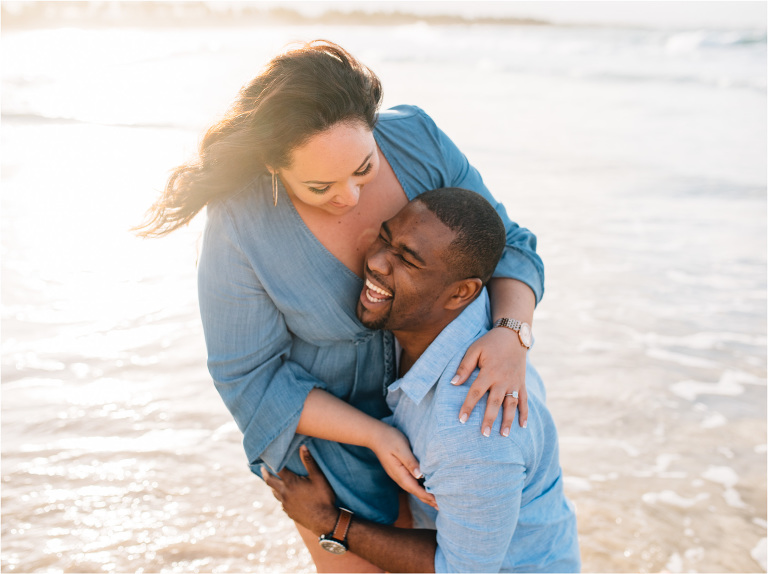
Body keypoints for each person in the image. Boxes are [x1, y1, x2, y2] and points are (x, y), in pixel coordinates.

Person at [135, 40, 545, 571]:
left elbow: (508, 245)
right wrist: (375, 435)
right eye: (320, 185)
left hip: (444, 415)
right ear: (273, 165)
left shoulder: (417, 139)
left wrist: (512, 332)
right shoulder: (241, 222)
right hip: (333, 446)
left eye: (364, 168)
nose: (349, 197)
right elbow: (249, 377)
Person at [265, 188, 580, 573]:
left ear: (461, 292)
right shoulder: (461, 317)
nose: (377, 262)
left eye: (408, 260)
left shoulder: (471, 429)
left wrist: (329, 522)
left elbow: (460, 570)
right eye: (384, 238)